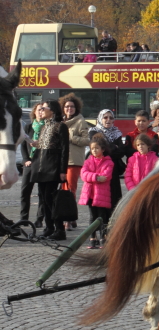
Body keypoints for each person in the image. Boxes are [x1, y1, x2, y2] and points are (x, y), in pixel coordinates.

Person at [29, 101, 69, 240]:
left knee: (51, 198)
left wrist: (63, 170)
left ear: (52, 110)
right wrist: (36, 144)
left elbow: (65, 149)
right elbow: (43, 144)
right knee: (43, 198)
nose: (41, 110)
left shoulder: (61, 126)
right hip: (41, 165)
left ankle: (59, 230)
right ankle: (49, 227)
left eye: (44, 108)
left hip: (53, 166)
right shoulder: (45, 126)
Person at [60, 93, 90, 230]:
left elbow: (87, 140)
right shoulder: (60, 121)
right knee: (62, 189)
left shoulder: (80, 121)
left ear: (76, 108)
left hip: (73, 160)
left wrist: (71, 137)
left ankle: (68, 218)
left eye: (71, 106)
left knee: (70, 190)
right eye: (66, 106)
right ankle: (69, 217)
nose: (69, 109)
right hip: (60, 160)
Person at [80, 135, 114, 249]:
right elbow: (83, 175)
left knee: (102, 217)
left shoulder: (108, 162)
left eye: (97, 148)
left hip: (101, 194)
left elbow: (106, 176)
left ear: (102, 149)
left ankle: (103, 237)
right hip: (90, 194)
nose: (94, 150)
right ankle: (92, 238)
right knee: (92, 217)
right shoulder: (88, 161)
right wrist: (96, 177)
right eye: (92, 148)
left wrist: (92, 178)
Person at [89, 109, 125, 211]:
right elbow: (99, 149)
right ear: (100, 119)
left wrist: (108, 147)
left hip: (113, 169)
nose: (108, 120)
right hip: (99, 169)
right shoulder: (93, 131)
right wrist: (114, 147)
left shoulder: (117, 132)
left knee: (114, 197)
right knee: (100, 197)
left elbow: (121, 152)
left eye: (111, 118)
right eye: (105, 117)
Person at [19, 104, 46, 227]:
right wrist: (25, 159)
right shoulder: (28, 127)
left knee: (42, 193)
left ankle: (39, 219)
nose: (41, 112)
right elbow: (23, 144)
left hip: (42, 164)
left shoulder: (47, 127)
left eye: (43, 110)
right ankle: (23, 218)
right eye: (39, 109)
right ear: (34, 112)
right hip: (29, 164)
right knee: (25, 192)